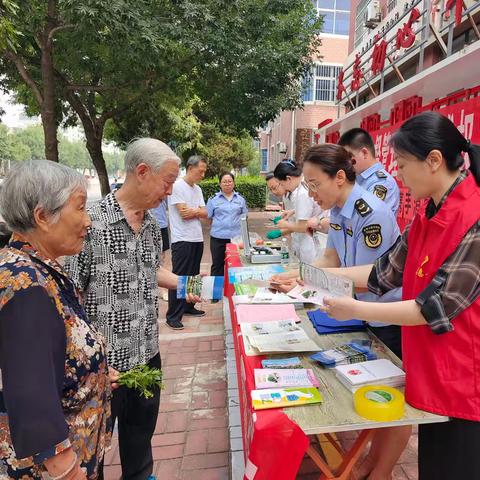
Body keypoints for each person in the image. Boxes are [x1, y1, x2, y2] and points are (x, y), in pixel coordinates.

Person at [319, 112, 480, 480]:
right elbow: (383, 272)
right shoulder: (426, 214)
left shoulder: (474, 217)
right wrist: (312, 276)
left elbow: (434, 307)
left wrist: (352, 307)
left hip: (465, 380)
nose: (400, 177)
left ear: (434, 160)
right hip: (434, 370)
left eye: (404, 165)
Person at [271, 144, 410, 480]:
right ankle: (366, 464)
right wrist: (299, 273)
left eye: (315, 184)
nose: (311, 193)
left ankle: (381, 471)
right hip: (360, 313)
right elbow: (331, 260)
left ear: (340, 177)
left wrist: (306, 282)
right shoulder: (338, 210)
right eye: (306, 185)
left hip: (385, 318)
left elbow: (364, 279)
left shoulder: (370, 212)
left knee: (393, 403)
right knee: (370, 395)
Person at [65, 139, 198, 480]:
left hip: (146, 355)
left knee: (140, 446)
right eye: (168, 181)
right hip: (102, 370)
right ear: (142, 172)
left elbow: (151, 270)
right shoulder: (88, 223)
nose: (170, 191)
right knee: (92, 454)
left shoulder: (153, 226)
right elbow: (67, 296)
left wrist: (196, 288)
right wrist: (82, 365)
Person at [0, 160, 112, 479]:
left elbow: (53, 352)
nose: (88, 220)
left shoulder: (42, 266)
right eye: (80, 207)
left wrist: (92, 372)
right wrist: (68, 472)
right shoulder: (23, 283)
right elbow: (31, 400)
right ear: (42, 217)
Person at [167, 155, 208, 329]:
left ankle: (189, 306)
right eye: (201, 171)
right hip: (182, 239)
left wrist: (196, 211)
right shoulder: (177, 187)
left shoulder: (197, 189)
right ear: (190, 168)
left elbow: (206, 213)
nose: (203, 175)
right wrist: (197, 211)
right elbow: (184, 214)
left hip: (197, 238)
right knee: (179, 277)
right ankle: (173, 315)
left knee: (193, 275)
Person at [272, 160, 326, 263]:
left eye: (281, 184)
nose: (283, 187)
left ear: (288, 179)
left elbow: (302, 227)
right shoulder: (300, 189)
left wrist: (285, 224)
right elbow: (311, 206)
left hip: (310, 243)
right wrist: (292, 211)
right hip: (307, 240)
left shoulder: (302, 193)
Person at [339, 128, 400, 215]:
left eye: (349, 157)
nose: (346, 163)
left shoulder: (383, 183)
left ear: (364, 153)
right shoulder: (356, 179)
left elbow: (366, 217)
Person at [207, 172, 248, 281]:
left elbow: (244, 218)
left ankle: (234, 291)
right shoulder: (213, 200)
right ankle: (215, 294)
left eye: (230, 181)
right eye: (224, 182)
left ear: (234, 183)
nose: (227, 184)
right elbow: (208, 217)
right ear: (220, 184)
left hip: (236, 239)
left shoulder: (240, 199)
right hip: (218, 238)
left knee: (235, 265)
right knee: (217, 265)